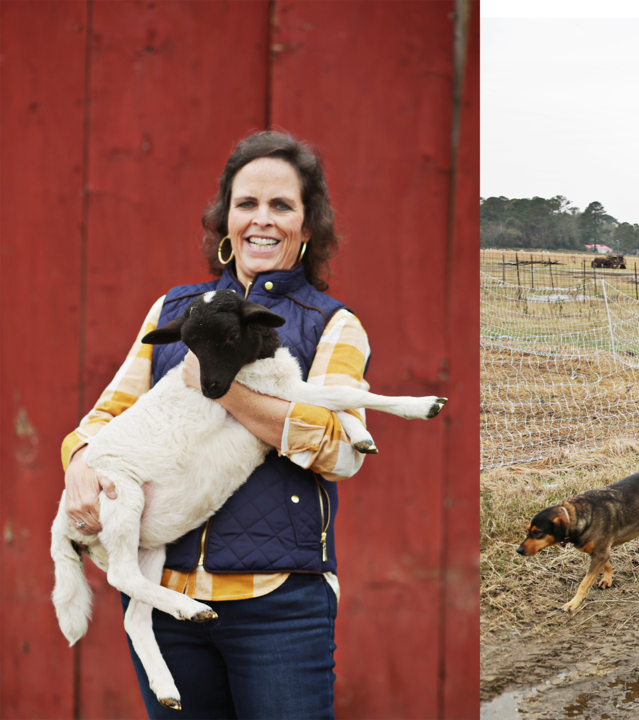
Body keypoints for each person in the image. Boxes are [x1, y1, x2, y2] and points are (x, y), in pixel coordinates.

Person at [60, 131, 370, 719]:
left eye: (282, 206)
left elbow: (341, 452)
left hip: (277, 607)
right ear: (225, 219)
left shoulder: (334, 326)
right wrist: (78, 462)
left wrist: (220, 383)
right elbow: (102, 419)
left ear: (308, 227)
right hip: (168, 605)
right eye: (246, 203)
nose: (262, 220)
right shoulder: (172, 312)